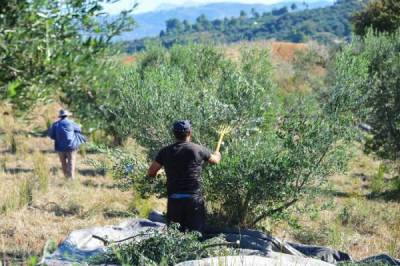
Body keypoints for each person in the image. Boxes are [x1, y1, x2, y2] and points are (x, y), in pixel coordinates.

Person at [147, 120, 221, 233]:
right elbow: (215, 161)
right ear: (189, 133)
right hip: (194, 200)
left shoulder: (165, 152)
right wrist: (217, 154)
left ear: (174, 134)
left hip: (174, 200)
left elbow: (151, 172)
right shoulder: (198, 149)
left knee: (175, 237)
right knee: (196, 237)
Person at [48, 109, 86, 179]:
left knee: (63, 162)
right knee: (71, 161)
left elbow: (51, 135)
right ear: (67, 115)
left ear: (60, 116)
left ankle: (66, 177)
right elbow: (79, 129)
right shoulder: (72, 123)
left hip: (60, 147)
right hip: (72, 146)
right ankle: (71, 177)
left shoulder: (55, 124)